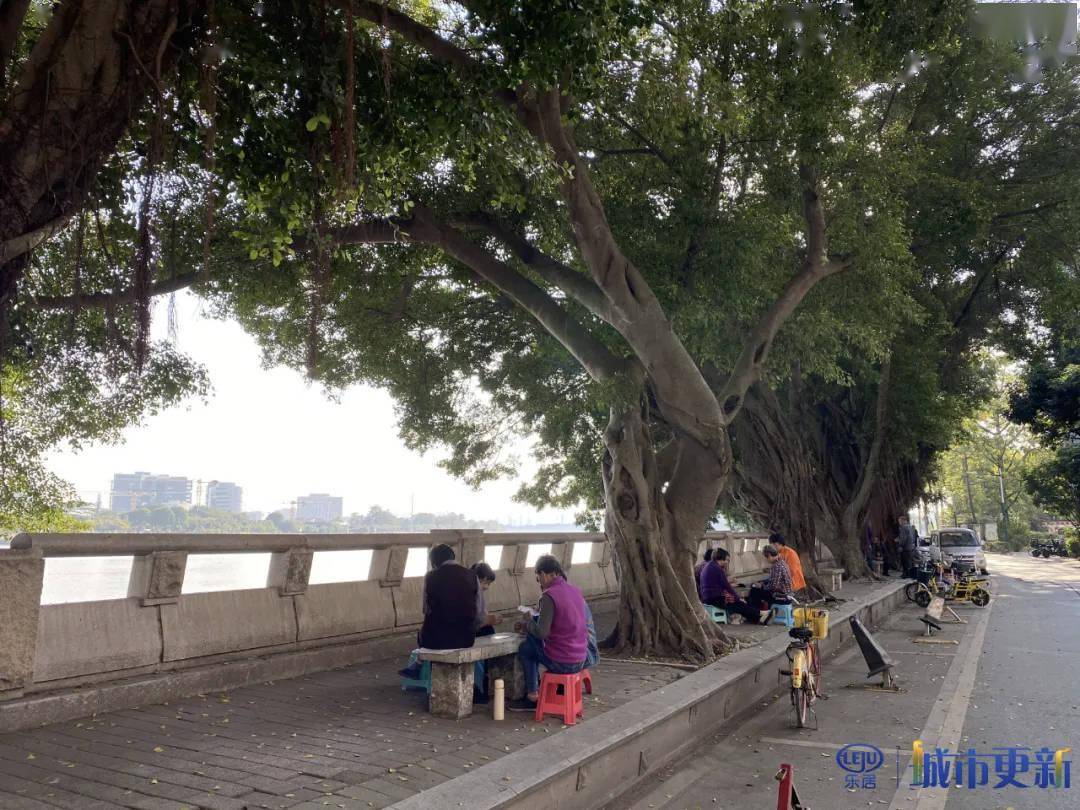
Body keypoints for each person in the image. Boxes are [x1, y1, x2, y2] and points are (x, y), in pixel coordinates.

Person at [509, 555, 589, 712]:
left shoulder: (549, 596)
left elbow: (542, 633)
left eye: (538, 578)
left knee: (526, 648)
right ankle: (549, 691)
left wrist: (528, 621)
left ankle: (532, 696)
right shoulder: (575, 591)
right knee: (533, 643)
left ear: (543, 574)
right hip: (581, 658)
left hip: (563, 661)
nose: (539, 582)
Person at [398, 544, 477, 682]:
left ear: (434, 563)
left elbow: (425, 609)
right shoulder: (472, 575)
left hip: (436, 640)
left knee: (425, 630)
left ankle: (419, 667)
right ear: (453, 557)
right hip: (466, 638)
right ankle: (419, 667)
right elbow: (480, 612)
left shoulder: (430, 576)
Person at [698, 548, 762, 623]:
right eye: (727, 560)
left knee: (737, 603)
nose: (727, 562)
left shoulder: (709, 566)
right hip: (714, 599)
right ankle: (760, 614)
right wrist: (738, 598)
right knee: (738, 604)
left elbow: (720, 585)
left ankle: (758, 618)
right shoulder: (717, 568)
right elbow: (727, 587)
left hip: (707, 598)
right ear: (722, 558)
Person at [747, 545, 793, 617]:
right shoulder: (782, 562)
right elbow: (774, 580)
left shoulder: (776, 566)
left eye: (766, 557)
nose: (766, 560)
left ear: (769, 555)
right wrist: (763, 582)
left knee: (754, 591)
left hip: (781, 596)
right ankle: (762, 613)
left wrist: (761, 586)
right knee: (759, 590)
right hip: (787, 594)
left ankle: (757, 615)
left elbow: (773, 587)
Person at [471, 562, 502, 637]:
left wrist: (492, 619)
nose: (486, 587)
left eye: (488, 584)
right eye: (484, 582)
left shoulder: (478, 597)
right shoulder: (464, 596)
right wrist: (486, 621)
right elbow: (465, 625)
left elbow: (480, 616)